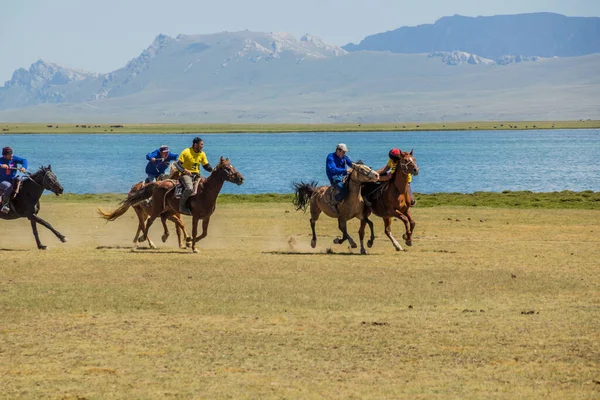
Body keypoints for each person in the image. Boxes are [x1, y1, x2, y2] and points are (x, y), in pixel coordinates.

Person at [174, 137, 213, 215]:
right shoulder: (186, 152)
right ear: (195, 145)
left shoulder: (202, 154)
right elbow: (177, 164)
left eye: (202, 145)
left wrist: (213, 170)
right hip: (185, 175)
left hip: (197, 175)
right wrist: (184, 170)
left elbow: (206, 166)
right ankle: (181, 207)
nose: (202, 146)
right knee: (189, 188)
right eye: (201, 144)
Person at [325, 143, 353, 210]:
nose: (344, 153)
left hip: (344, 176)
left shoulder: (344, 157)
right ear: (338, 150)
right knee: (344, 190)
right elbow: (333, 170)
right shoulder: (330, 157)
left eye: (345, 152)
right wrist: (346, 171)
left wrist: (361, 167)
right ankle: (333, 201)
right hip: (334, 178)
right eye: (343, 152)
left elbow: (352, 164)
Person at [0, 146, 28, 213]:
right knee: (9, 187)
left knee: (23, 183)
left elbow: (24, 160)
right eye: (10, 155)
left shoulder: (14, 158)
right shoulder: (1, 160)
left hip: (13, 179)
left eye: (11, 154)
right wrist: (1, 166)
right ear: (5, 156)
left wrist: (24, 167)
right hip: (2, 181)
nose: (11, 156)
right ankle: (5, 205)